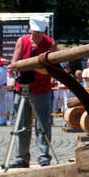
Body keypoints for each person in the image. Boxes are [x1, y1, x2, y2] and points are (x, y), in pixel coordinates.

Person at [9, 17, 56, 168]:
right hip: (22, 88)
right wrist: (17, 68)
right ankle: (21, 157)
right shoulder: (22, 41)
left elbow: (53, 68)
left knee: (42, 125)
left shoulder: (50, 43)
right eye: (34, 32)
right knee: (22, 124)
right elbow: (14, 63)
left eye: (39, 32)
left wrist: (33, 68)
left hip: (42, 89)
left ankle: (43, 157)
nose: (36, 35)